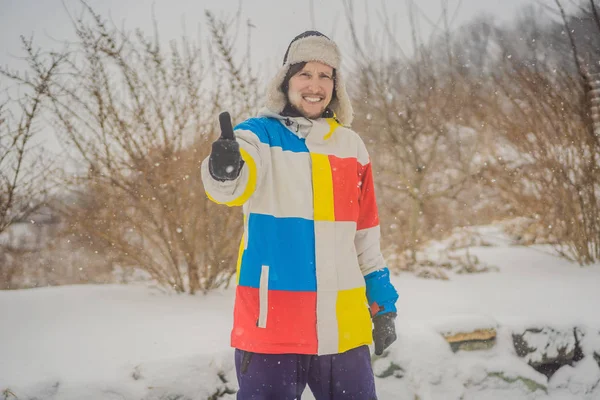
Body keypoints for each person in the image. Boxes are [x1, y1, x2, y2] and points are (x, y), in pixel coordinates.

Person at [201, 30, 399, 400]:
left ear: (336, 86)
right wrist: (222, 167)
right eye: (305, 73)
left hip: (343, 326)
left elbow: (365, 236)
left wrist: (382, 302)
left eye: (326, 75)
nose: (315, 85)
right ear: (286, 81)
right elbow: (230, 187)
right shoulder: (257, 136)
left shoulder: (352, 146)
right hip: (271, 324)